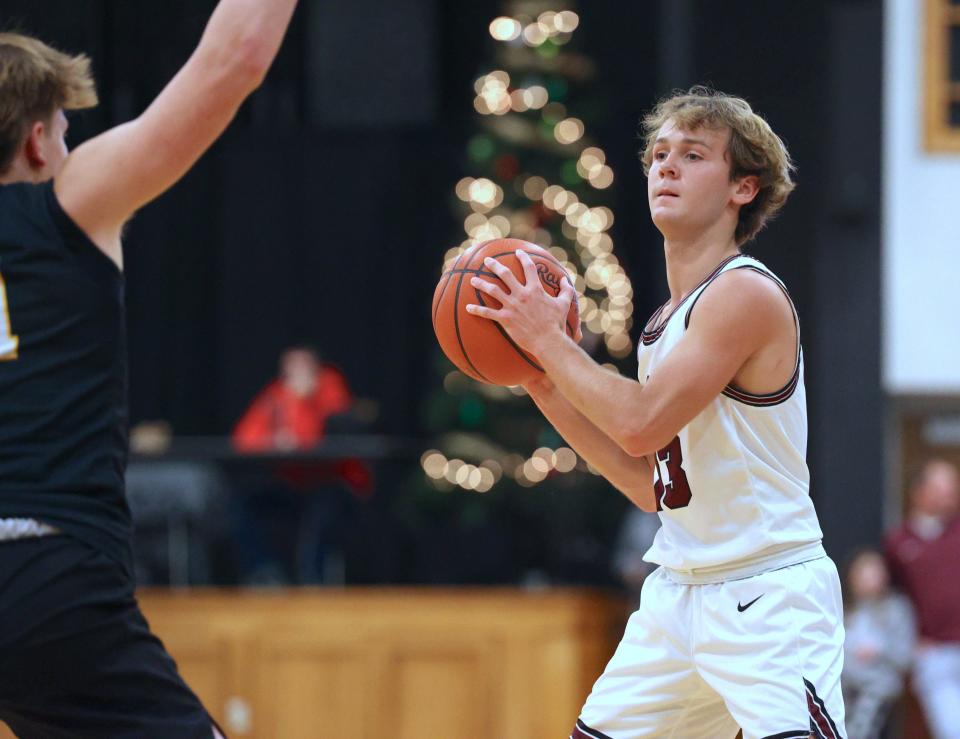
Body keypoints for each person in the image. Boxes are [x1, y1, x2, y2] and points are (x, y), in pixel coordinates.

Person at [467, 86, 845, 738]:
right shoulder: (661, 326)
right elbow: (650, 486)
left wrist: (548, 343)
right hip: (677, 592)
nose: (666, 166)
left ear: (742, 188)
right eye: (660, 154)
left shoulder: (744, 293)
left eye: (693, 154)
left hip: (766, 594)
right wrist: (542, 381)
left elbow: (641, 421)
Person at [0, 2, 298, 736]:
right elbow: (234, 62)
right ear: (38, 142)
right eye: (69, 134)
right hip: (46, 572)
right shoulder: (61, 204)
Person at [885, 459, 960, 739]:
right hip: (934, 653)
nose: (950, 493)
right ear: (919, 491)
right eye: (942, 486)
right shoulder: (898, 541)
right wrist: (907, 643)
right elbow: (892, 599)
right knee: (952, 730)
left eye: (953, 486)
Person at [842, 549, 916, 738]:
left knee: (867, 713)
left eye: (875, 573)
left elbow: (905, 656)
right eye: (863, 574)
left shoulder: (897, 609)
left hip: (880, 686)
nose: (870, 580)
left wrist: (879, 650)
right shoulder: (843, 610)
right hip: (845, 685)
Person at [233, 346, 353, 452]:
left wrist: (303, 399)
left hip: (330, 467)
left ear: (315, 366)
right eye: (292, 364)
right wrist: (271, 442)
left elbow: (336, 429)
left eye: (304, 363)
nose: (299, 370)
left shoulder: (329, 383)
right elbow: (244, 439)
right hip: (292, 470)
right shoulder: (277, 392)